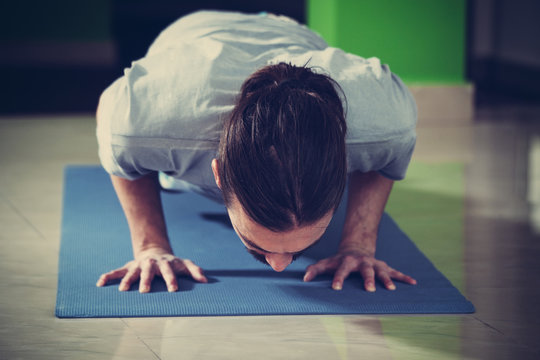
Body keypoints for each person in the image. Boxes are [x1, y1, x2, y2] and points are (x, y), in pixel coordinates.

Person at [95, 10, 418, 294]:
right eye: (256, 244)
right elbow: (123, 158)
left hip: (286, 31)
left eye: (296, 251)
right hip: (194, 30)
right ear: (218, 172)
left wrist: (358, 246)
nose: (279, 267)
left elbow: (384, 160)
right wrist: (150, 247)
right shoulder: (142, 125)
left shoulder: (383, 127)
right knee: (173, 177)